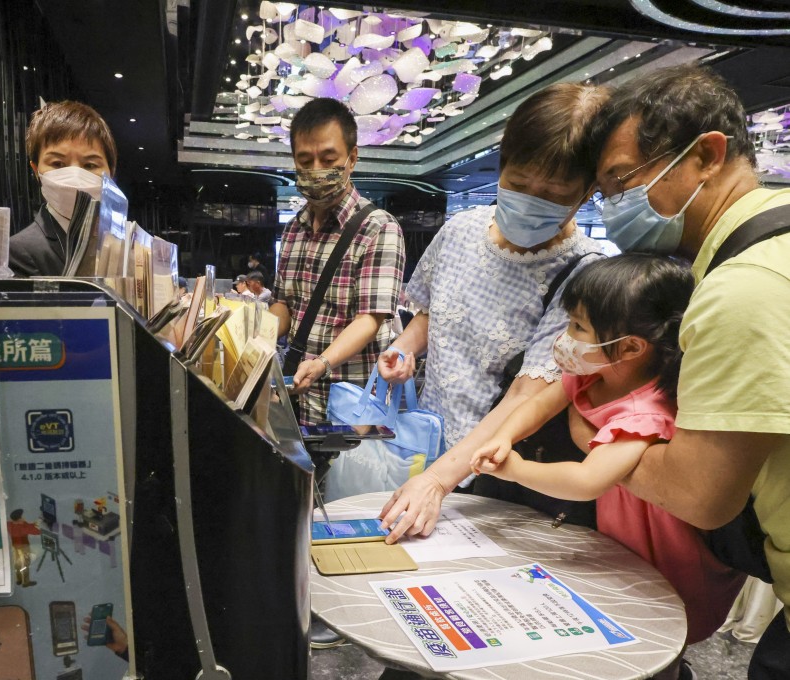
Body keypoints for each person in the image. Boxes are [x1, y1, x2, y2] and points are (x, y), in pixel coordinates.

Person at [584, 64, 790, 679]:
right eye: (604, 193)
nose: (615, 206)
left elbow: (700, 495)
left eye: (624, 179)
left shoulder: (742, 287)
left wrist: (593, 434)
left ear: (706, 156)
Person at [470, 254, 744, 674]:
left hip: (662, 546)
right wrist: (504, 436)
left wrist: (514, 469)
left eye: (578, 327)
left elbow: (587, 480)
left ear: (631, 346)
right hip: (616, 531)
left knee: (652, 622)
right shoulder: (594, 372)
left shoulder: (645, 412)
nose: (566, 337)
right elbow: (541, 403)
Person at [377, 83, 609, 539]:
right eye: (518, 184)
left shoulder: (584, 273)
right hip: (427, 445)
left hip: (495, 470)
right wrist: (404, 348)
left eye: (554, 194)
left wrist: (439, 481)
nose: (531, 201)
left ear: (586, 193)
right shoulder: (461, 230)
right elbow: (432, 312)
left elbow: (527, 396)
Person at [270, 97, 405, 425]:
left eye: (328, 159)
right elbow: (284, 305)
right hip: (296, 398)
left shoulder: (379, 227)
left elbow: (369, 319)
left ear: (352, 158)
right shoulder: (293, 229)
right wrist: (251, 333)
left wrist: (322, 363)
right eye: (305, 160)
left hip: (350, 405)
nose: (316, 170)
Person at [10, 100, 117, 277]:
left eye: (90, 165)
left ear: (111, 174)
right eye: (58, 164)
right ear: (36, 171)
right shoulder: (18, 253)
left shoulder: (123, 244)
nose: (75, 176)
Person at [6, 508, 41, 587]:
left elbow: (29, 526)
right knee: (25, 564)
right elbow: (37, 531)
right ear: (19, 519)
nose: (23, 518)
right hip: (24, 547)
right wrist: (38, 523)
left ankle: (19, 580)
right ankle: (26, 582)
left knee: (17, 564)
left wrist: (35, 523)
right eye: (21, 517)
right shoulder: (22, 527)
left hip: (15, 547)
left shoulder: (10, 525)